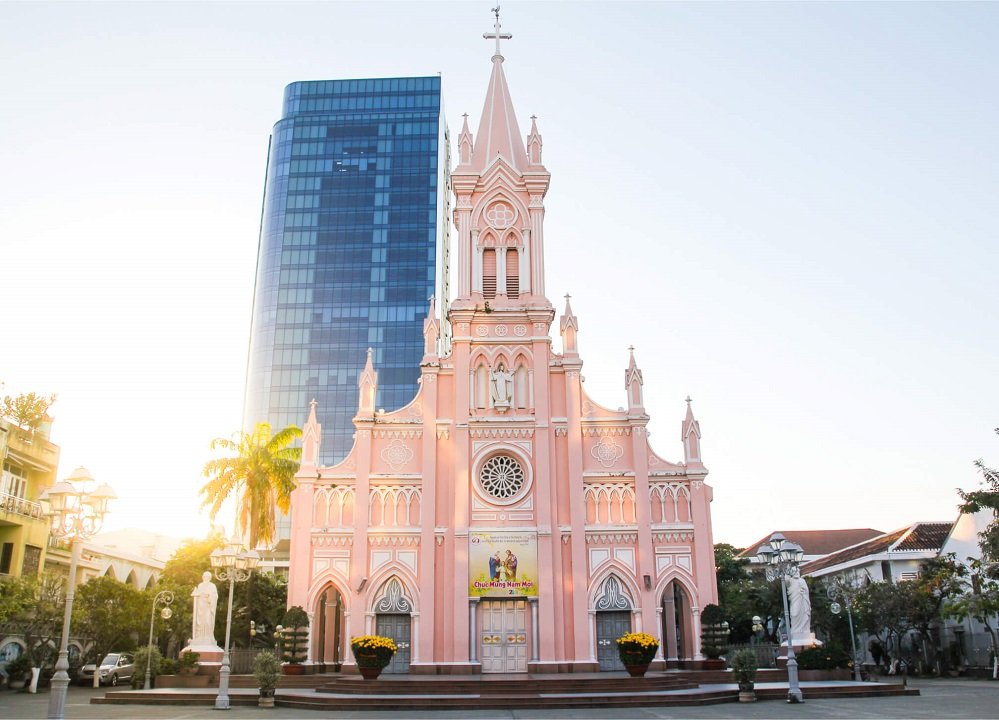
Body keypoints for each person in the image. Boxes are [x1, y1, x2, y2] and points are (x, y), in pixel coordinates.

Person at [191, 571, 219, 644]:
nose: (205, 578)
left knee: (208, 621)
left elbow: (215, 596)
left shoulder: (212, 586)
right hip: (201, 607)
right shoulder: (200, 585)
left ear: (210, 578)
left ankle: (208, 636)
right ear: (202, 577)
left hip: (208, 607)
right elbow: (197, 594)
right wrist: (199, 594)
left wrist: (209, 596)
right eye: (204, 576)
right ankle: (199, 636)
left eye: (207, 577)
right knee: (200, 622)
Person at [786, 574, 812, 642]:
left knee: (804, 614)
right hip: (794, 600)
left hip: (802, 600)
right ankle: (795, 629)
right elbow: (786, 582)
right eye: (794, 571)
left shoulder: (802, 580)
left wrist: (804, 591)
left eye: (797, 570)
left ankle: (804, 629)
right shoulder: (791, 580)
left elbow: (806, 590)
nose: (796, 572)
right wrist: (785, 573)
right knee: (794, 614)